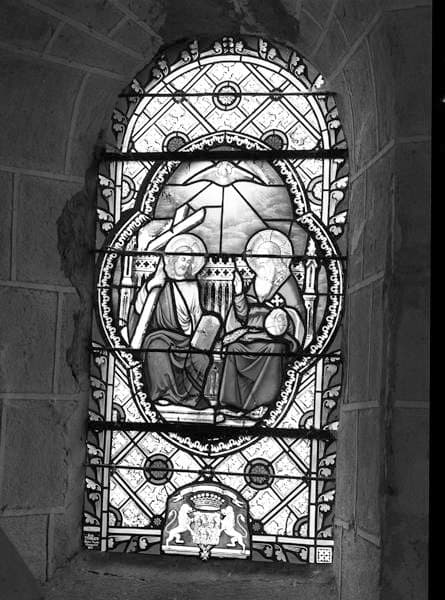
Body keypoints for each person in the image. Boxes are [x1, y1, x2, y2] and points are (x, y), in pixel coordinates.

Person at [218, 229, 306, 416]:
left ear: (275, 261)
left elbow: (297, 313)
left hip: (277, 337)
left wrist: (280, 317)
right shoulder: (257, 282)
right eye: (258, 262)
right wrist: (239, 293)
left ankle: (263, 404)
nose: (260, 266)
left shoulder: (286, 282)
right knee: (234, 348)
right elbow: (243, 316)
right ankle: (234, 405)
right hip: (252, 335)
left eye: (264, 261)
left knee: (274, 349)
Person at [129, 233, 212, 408]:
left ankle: (191, 397)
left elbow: (196, 314)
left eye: (189, 262)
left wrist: (202, 336)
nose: (186, 264)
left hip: (184, 339)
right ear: (173, 259)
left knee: (202, 359)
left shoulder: (193, 286)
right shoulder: (160, 281)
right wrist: (151, 285)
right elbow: (139, 306)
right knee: (157, 348)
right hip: (159, 336)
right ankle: (163, 394)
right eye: (183, 259)